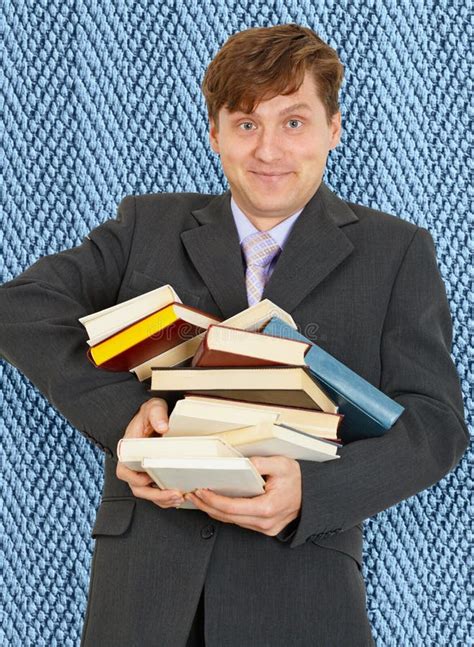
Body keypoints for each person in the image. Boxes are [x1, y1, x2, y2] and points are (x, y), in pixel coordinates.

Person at [0, 24, 468, 647]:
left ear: (333, 128)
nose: (268, 149)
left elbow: (435, 425)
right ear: (216, 133)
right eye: (246, 123)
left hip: (301, 590)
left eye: (294, 122)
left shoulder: (397, 251)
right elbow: (19, 307)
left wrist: (312, 492)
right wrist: (127, 418)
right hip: (144, 595)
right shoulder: (147, 225)